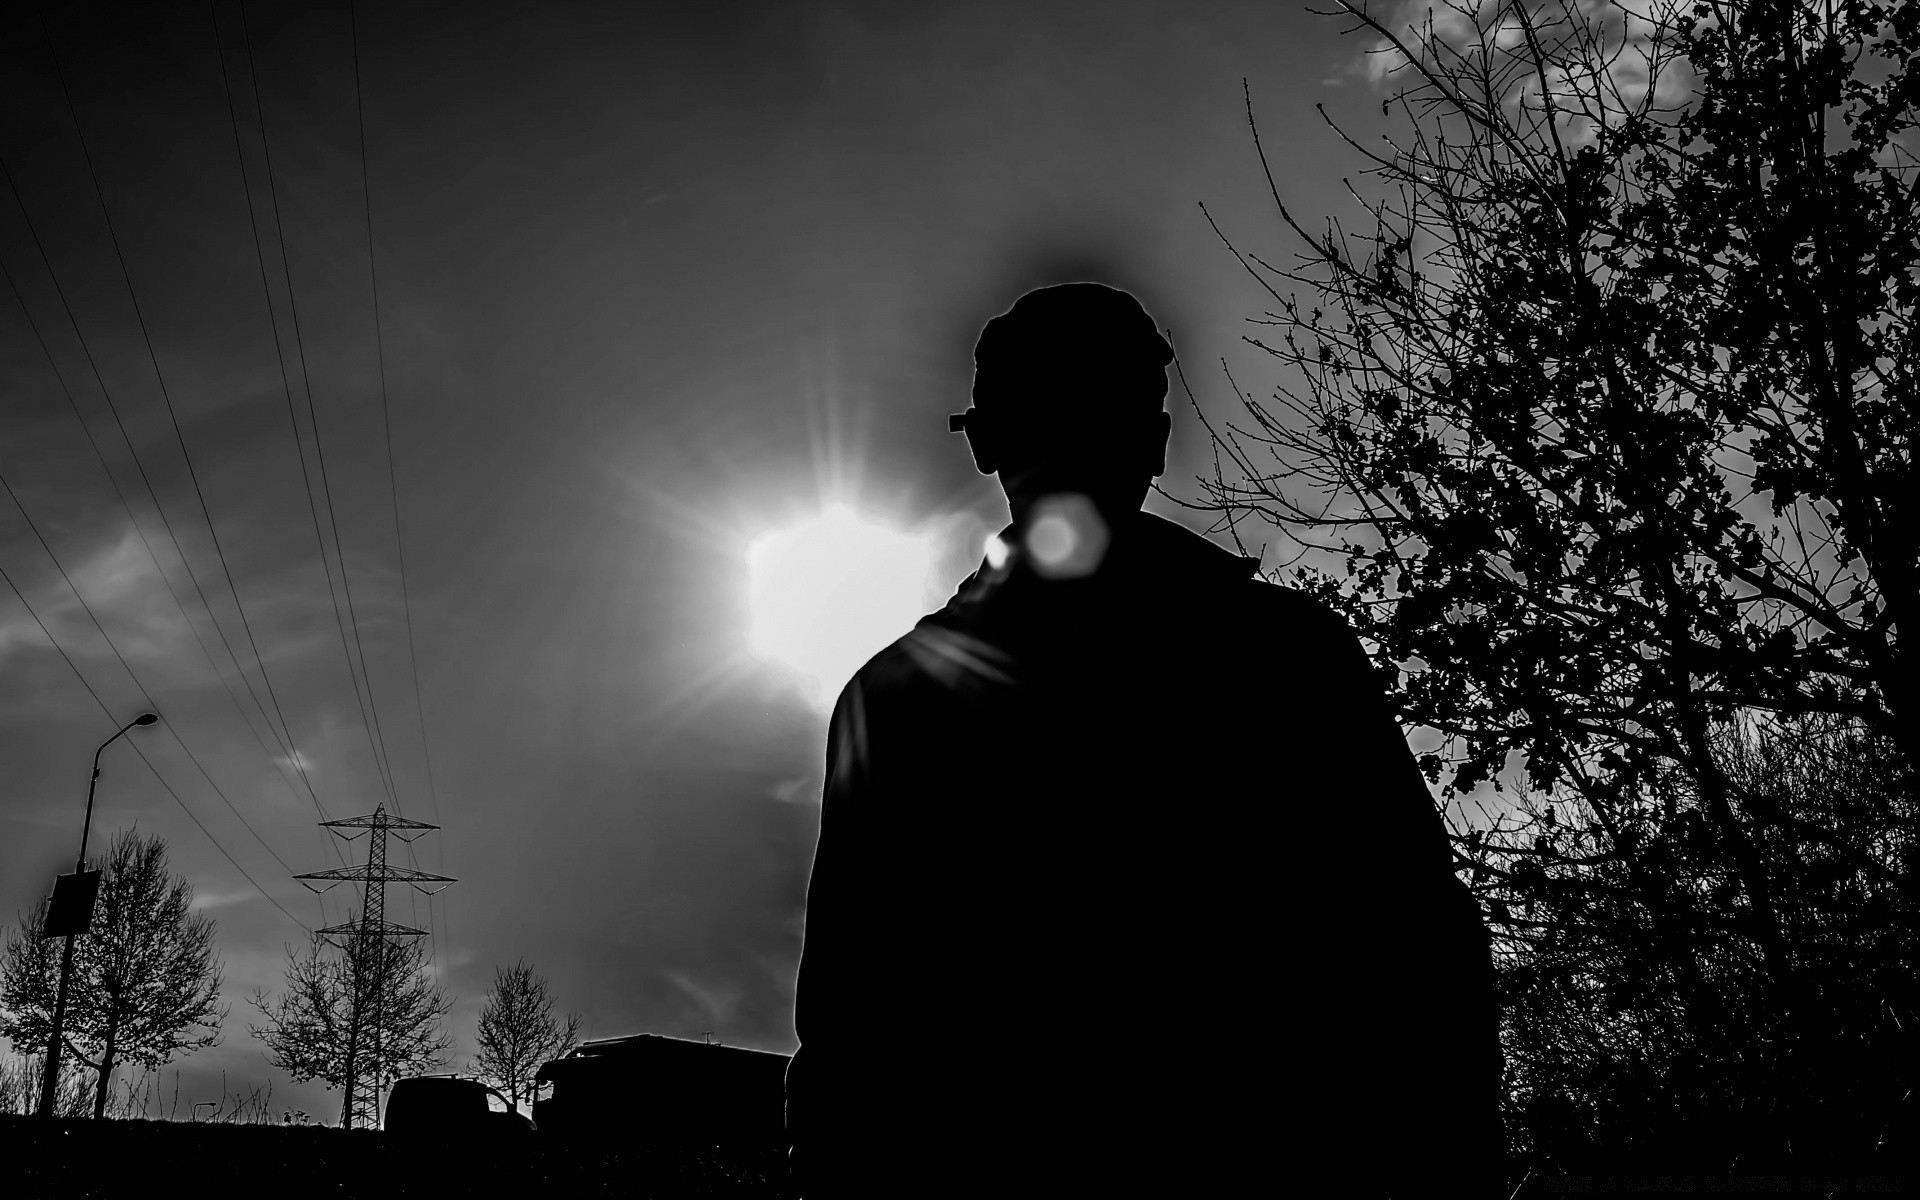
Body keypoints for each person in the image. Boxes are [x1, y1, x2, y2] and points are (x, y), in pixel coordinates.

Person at [787, 282, 1505, 1197]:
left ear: (986, 441)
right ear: (1157, 443)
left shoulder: (894, 704)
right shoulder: (1287, 657)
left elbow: (852, 1042)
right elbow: (1423, 955)